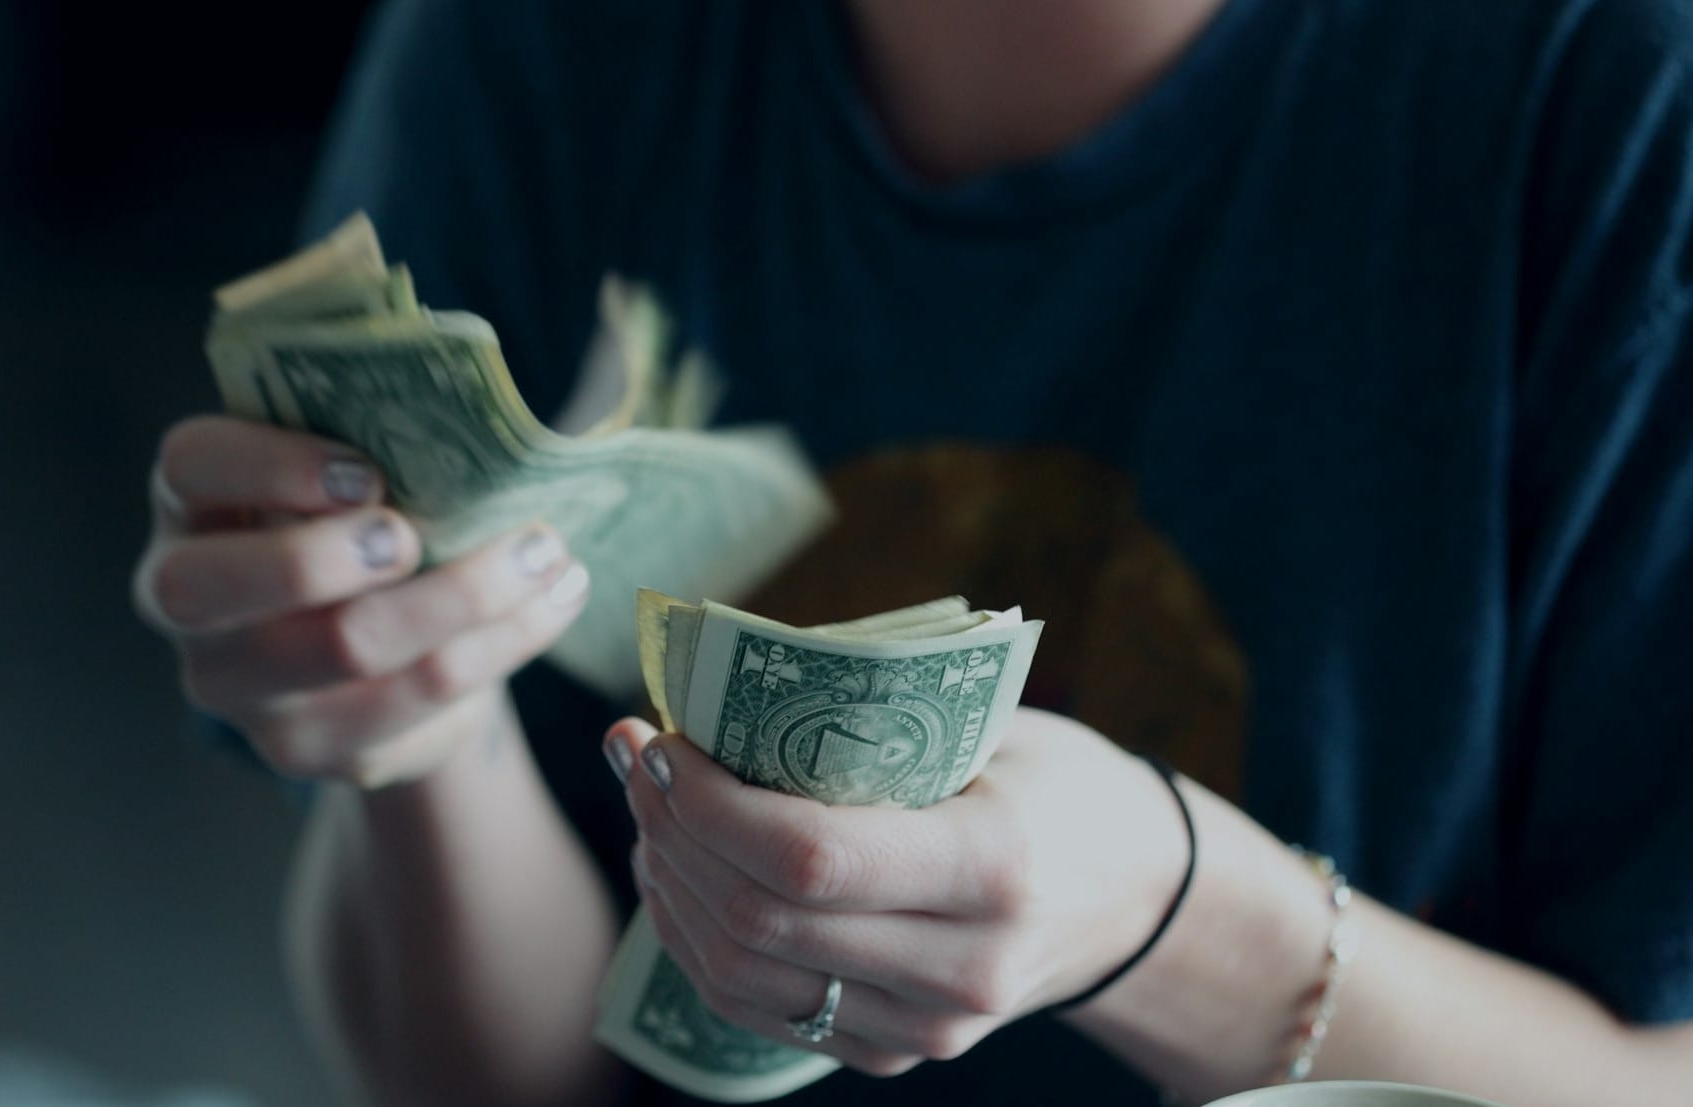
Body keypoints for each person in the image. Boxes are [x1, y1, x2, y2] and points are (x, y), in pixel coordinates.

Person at [130, 1, 1693, 1104]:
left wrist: (1177, 921)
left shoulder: (1621, 101)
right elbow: (498, 1088)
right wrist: (418, 736)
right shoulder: (540, 41)